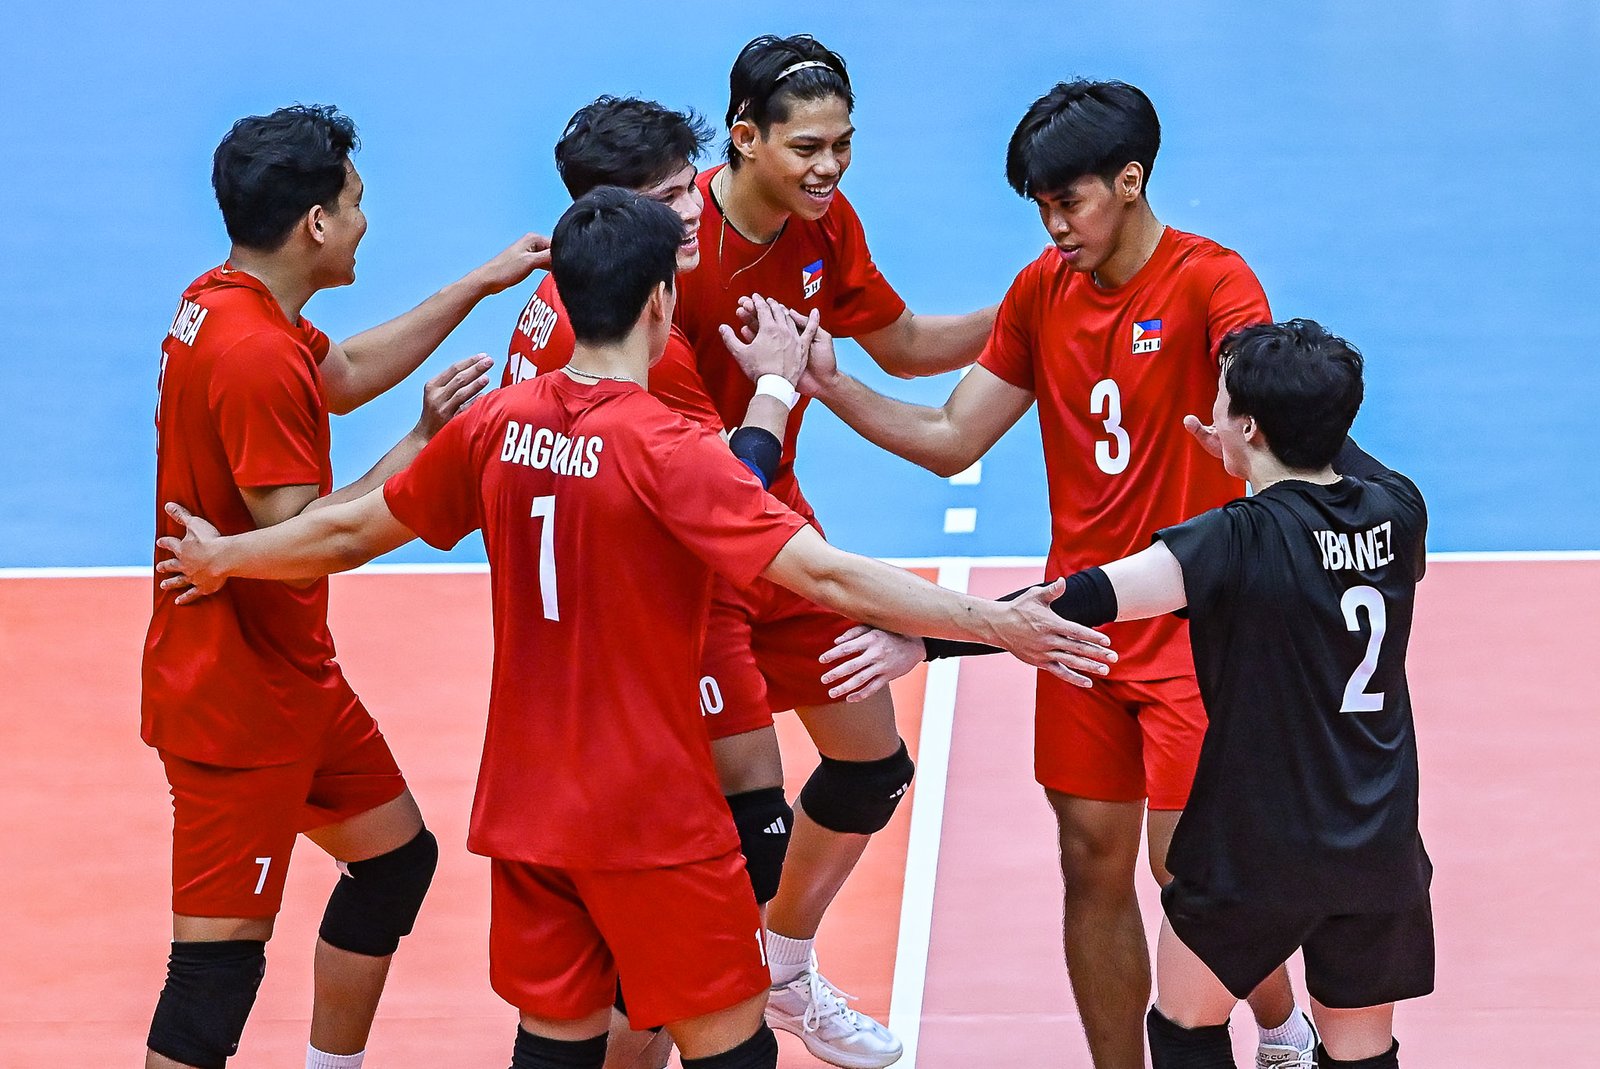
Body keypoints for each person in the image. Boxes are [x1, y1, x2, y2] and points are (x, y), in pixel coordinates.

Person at [153, 188, 1118, 1069]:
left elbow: (350, 528)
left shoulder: (495, 426)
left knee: (558, 1041)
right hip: (650, 815)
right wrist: (997, 623)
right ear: (662, 300)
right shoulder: (667, 451)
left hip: (530, 813)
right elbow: (823, 572)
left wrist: (224, 558)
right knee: (731, 1044)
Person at [724, 79, 1314, 1069]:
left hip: (1194, 621)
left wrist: (1243, 424)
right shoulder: (1044, 289)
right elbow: (952, 435)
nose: (1053, 225)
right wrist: (829, 383)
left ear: (1129, 182)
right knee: (1089, 864)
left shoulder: (1212, 281)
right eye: (1038, 206)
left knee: (1187, 873)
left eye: (1069, 202)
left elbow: (1257, 381)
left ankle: (1280, 1022)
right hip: (1074, 627)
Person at [829, 320, 1435, 1069]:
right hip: (1379, 841)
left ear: (1244, 424)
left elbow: (1066, 601)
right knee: (1361, 1051)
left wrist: (925, 640)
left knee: (1185, 1029)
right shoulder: (1398, 511)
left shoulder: (1229, 541)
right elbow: (1338, 459)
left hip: (1259, 847)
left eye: (1222, 400)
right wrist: (1272, 438)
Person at [142, 103, 548, 1069]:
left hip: (295, 686)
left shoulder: (232, 300)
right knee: (214, 974)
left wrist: (482, 284)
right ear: (315, 223)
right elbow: (303, 543)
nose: (367, 221)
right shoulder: (252, 356)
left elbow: (350, 369)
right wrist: (421, 446)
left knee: (395, 861)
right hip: (233, 708)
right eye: (356, 204)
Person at [669, 36, 1005, 1066]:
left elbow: (899, 343)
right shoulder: (679, 245)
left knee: (871, 768)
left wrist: (1032, 307)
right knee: (739, 831)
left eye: (844, 145)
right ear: (744, 138)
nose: (829, 167)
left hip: (777, 534)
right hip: (686, 563)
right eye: (807, 147)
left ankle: (784, 973)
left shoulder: (824, 225)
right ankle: (694, 1021)